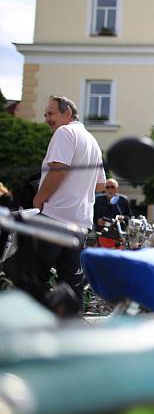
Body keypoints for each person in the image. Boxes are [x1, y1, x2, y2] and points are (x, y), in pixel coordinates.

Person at [6, 96, 105, 313]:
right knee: (71, 283)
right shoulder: (91, 140)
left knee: (29, 276)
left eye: (51, 113)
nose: (47, 119)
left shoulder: (65, 132)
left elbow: (59, 170)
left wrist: (39, 199)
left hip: (54, 218)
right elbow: (101, 185)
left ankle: (33, 331)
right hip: (79, 223)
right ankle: (72, 334)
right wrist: (78, 188)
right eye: (45, 115)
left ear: (68, 112)